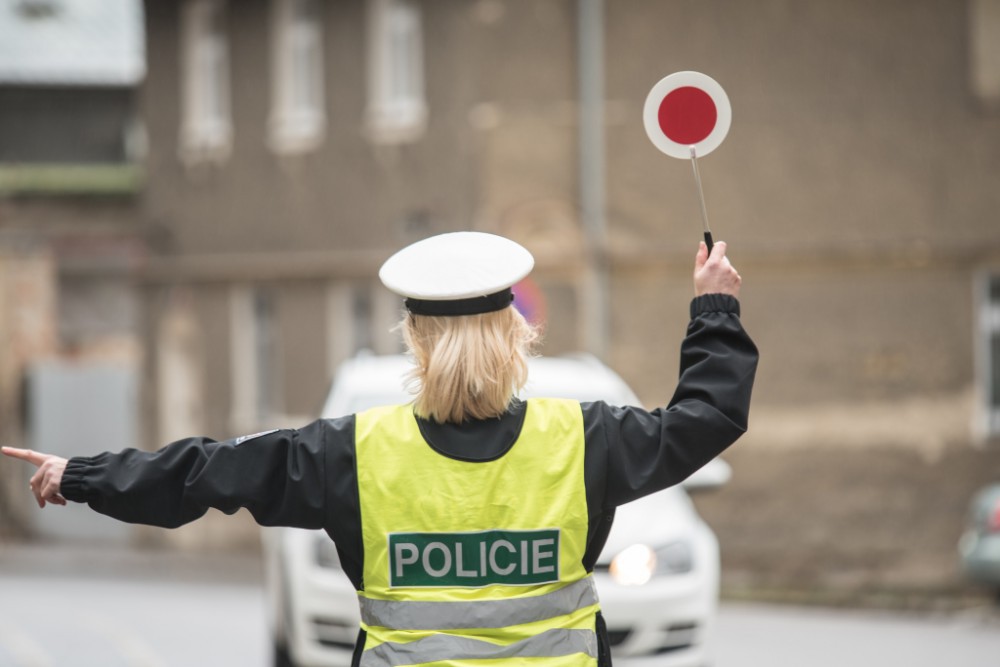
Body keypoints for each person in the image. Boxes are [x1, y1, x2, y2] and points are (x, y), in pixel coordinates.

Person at [3, 231, 756, 667]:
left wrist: (84, 476)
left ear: (417, 340)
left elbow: (208, 471)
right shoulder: (583, 439)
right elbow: (704, 418)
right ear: (516, 334)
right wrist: (713, 308)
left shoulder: (353, 452)